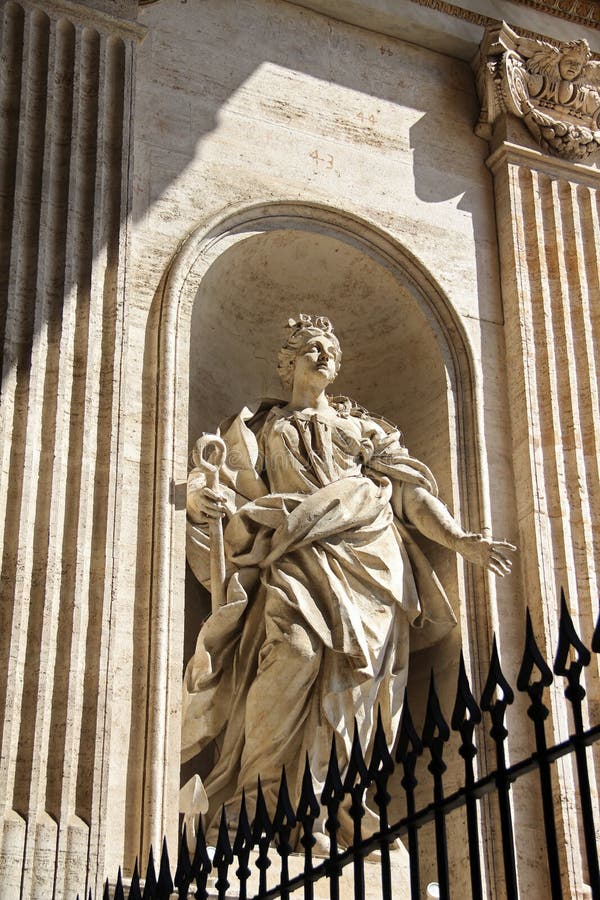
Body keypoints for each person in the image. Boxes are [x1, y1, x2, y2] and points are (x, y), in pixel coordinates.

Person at [182, 314, 515, 848]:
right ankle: (253, 806)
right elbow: (221, 480)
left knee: (361, 688)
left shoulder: (364, 429)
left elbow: (406, 495)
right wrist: (205, 498)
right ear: (288, 362)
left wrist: (459, 539)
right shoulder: (258, 428)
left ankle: (334, 806)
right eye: (312, 348)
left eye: (330, 351)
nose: (323, 357)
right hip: (293, 553)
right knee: (293, 653)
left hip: (371, 563)